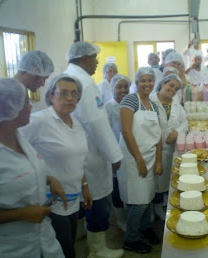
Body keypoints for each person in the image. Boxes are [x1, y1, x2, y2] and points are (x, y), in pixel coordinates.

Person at [20, 73, 92, 258]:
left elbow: (77, 159)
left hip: (73, 197)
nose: (70, 98)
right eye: (63, 93)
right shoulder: (39, 121)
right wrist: (45, 179)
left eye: (74, 93)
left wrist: (85, 185)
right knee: (63, 249)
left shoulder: (75, 123)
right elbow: (14, 153)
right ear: (51, 96)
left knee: (70, 244)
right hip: (50, 201)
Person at [0, 78, 66, 258]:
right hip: (10, 247)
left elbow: (27, 169)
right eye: (26, 101)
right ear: (10, 110)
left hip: (44, 238)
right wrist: (21, 214)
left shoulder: (18, 137)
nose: (31, 105)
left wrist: (50, 179)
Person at [65, 41, 124, 258]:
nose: (98, 62)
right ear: (83, 58)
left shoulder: (67, 77)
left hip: (75, 153)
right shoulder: (84, 82)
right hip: (90, 154)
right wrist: (114, 155)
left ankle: (81, 238)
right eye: (94, 57)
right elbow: (95, 123)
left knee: (80, 200)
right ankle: (97, 249)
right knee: (97, 200)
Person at [118, 67, 163, 254]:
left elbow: (158, 134)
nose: (147, 84)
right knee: (139, 201)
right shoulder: (130, 100)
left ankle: (145, 228)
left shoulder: (152, 104)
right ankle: (131, 238)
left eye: (150, 80)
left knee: (149, 196)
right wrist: (139, 160)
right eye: (142, 81)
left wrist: (159, 160)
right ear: (136, 83)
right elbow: (126, 131)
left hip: (151, 156)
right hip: (133, 157)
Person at [150, 74, 188, 220]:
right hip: (151, 150)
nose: (173, 90)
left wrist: (177, 132)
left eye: (176, 88)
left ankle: (159, 206)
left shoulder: (176, 104)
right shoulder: (150, 101)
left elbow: (185, 122)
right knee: (151, 182)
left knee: (164, 181)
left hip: (169, 150)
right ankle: (151, 210)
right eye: (170, 85)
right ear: (162, 83)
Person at [104, 74, 131, 232]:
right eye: (118, 87)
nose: (123, 90)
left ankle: (128, 213)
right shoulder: (108, 107)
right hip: (115, 153)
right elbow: (106, 134)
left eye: (125, 86)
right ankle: (120, 219)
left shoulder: (132, 104)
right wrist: (112, 157)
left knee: (127, 184)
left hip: (130, 152)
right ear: (112, 88)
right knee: (116, 188)